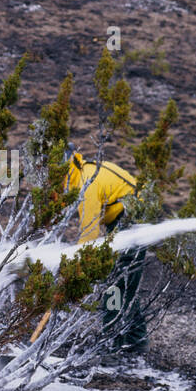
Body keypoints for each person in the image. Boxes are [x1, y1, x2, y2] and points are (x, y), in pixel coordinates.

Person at [63, 148, 149, 354]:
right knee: (124, 283)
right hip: (130, 216)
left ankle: (111, 342)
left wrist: (77, 266)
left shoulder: (86, 183)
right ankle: (137, 339)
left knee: (116, 283)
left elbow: (89, 233)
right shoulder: (84, 170)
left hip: (131, 218)